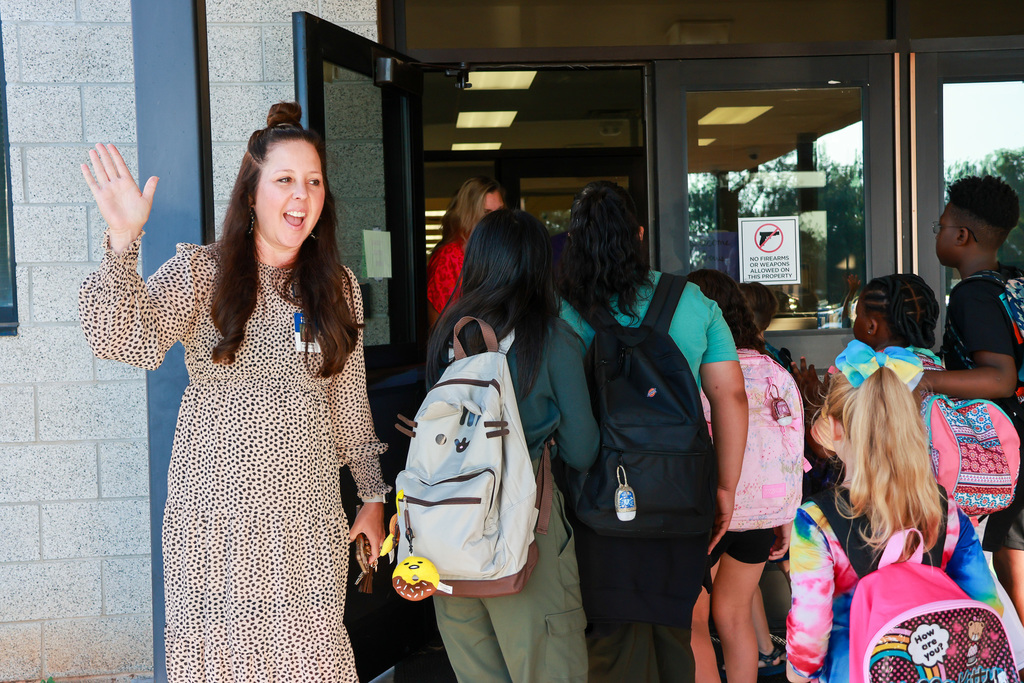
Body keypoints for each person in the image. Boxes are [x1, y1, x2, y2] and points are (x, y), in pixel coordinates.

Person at [78, 102, 390, 681]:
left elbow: (348, 401)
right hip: (217, 528)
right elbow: (123, 336)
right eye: (285, 180)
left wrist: (372, 496)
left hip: (306, 527)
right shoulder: (204, 272)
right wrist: (123, 241)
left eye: (313, 181)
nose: (302, 195)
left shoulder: (339, 287)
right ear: (252, 194)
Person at [557, 181, 748, 682]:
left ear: (574, 243)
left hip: (596, 497)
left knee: (607, 635)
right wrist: (724, 486)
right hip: (681, 493)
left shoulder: (560, 310)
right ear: (639, 236)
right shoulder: (693, 302)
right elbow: (731, 396)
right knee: (675, 628)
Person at [425, 208, 600, 683]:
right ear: (539, 266)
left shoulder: (447, 336)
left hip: (449, 535)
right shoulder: (552, 340)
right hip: (527, 535)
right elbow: (584, 450)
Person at [787, 343, 1002, 683]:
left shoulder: (816, 522)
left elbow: (810, 640)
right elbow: (986, 604)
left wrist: (798, 675)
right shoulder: (945, 509)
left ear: (836, 428)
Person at [688, 269, 802, 683]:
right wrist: (786, 517)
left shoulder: (697, 370)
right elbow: (791, 451)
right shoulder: (775, 371)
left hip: (710, 511)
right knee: (735, 618)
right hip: (762, 513)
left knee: (694, 620)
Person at [918, 176, 1024, 621]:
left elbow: (999, 378)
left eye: (940, 225)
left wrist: (927, 381)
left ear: (961, 236)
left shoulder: (972, 294)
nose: (937, 232)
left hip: (1005, 445)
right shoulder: (1014, 282)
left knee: (1010, 560)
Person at [426, 176, 505, 326]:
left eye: (500, 212)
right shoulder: (450, 257)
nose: (497, 220)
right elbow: (445, 327)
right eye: (487, 213)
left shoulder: (497, 252)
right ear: (468, 216)